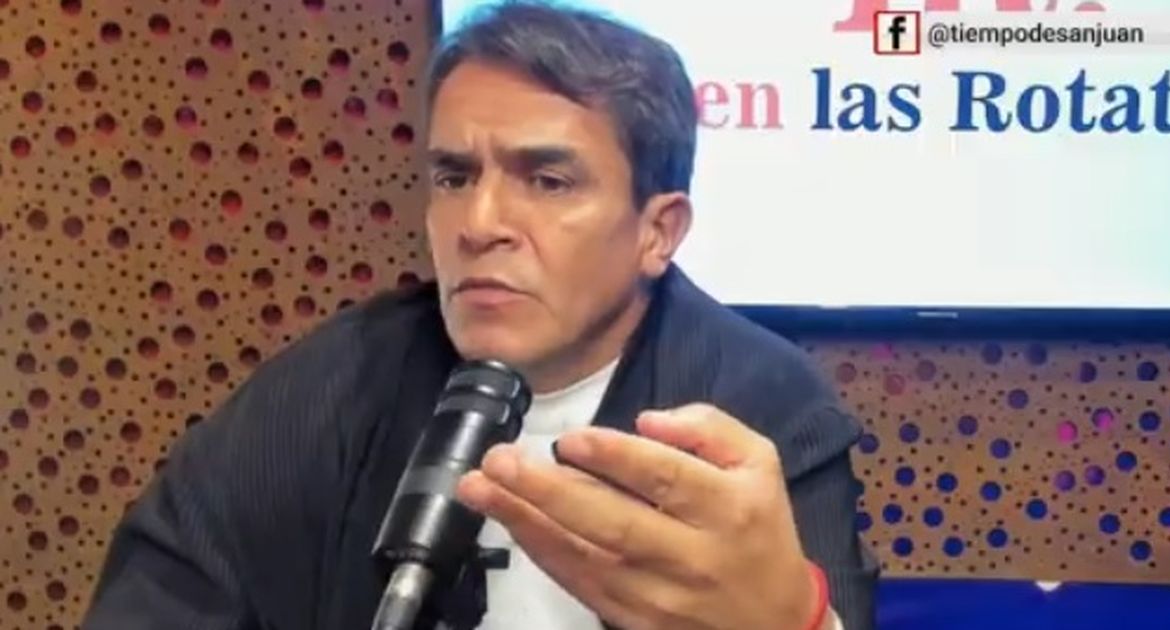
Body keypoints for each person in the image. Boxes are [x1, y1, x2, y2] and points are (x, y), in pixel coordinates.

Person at [81, 2, 878, 629]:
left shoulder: (761, 408)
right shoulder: (326, 391)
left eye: (548, 181)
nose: (480, 222)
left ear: (657, 231)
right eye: (455, 177)